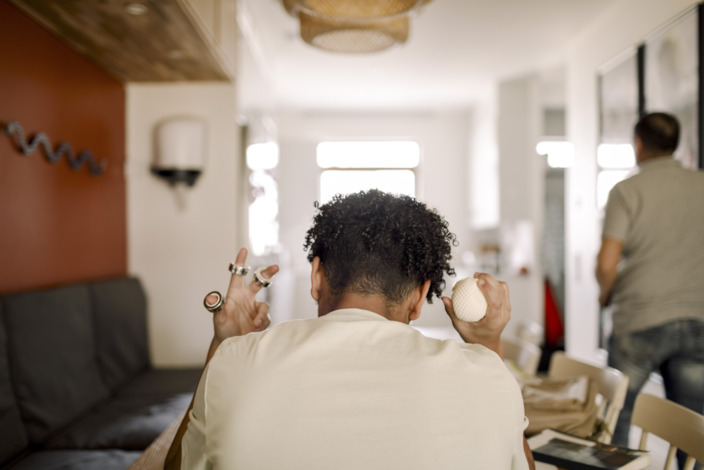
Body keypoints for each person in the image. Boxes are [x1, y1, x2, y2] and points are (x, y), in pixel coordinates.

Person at [165, 189, 535, 470]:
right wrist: (488, 344)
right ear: (421, 296)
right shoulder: (486, 374)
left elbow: (176, 466)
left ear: (316, 276)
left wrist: (224, 344)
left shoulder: (236, 361)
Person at [596, 112, 704, 450]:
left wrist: (605, 294)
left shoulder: (627, 191)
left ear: (638, 144)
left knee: (618, 415)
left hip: (640, 318)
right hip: (697, 318)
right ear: (675, 145)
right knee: (694, 427)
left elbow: (606, 263)